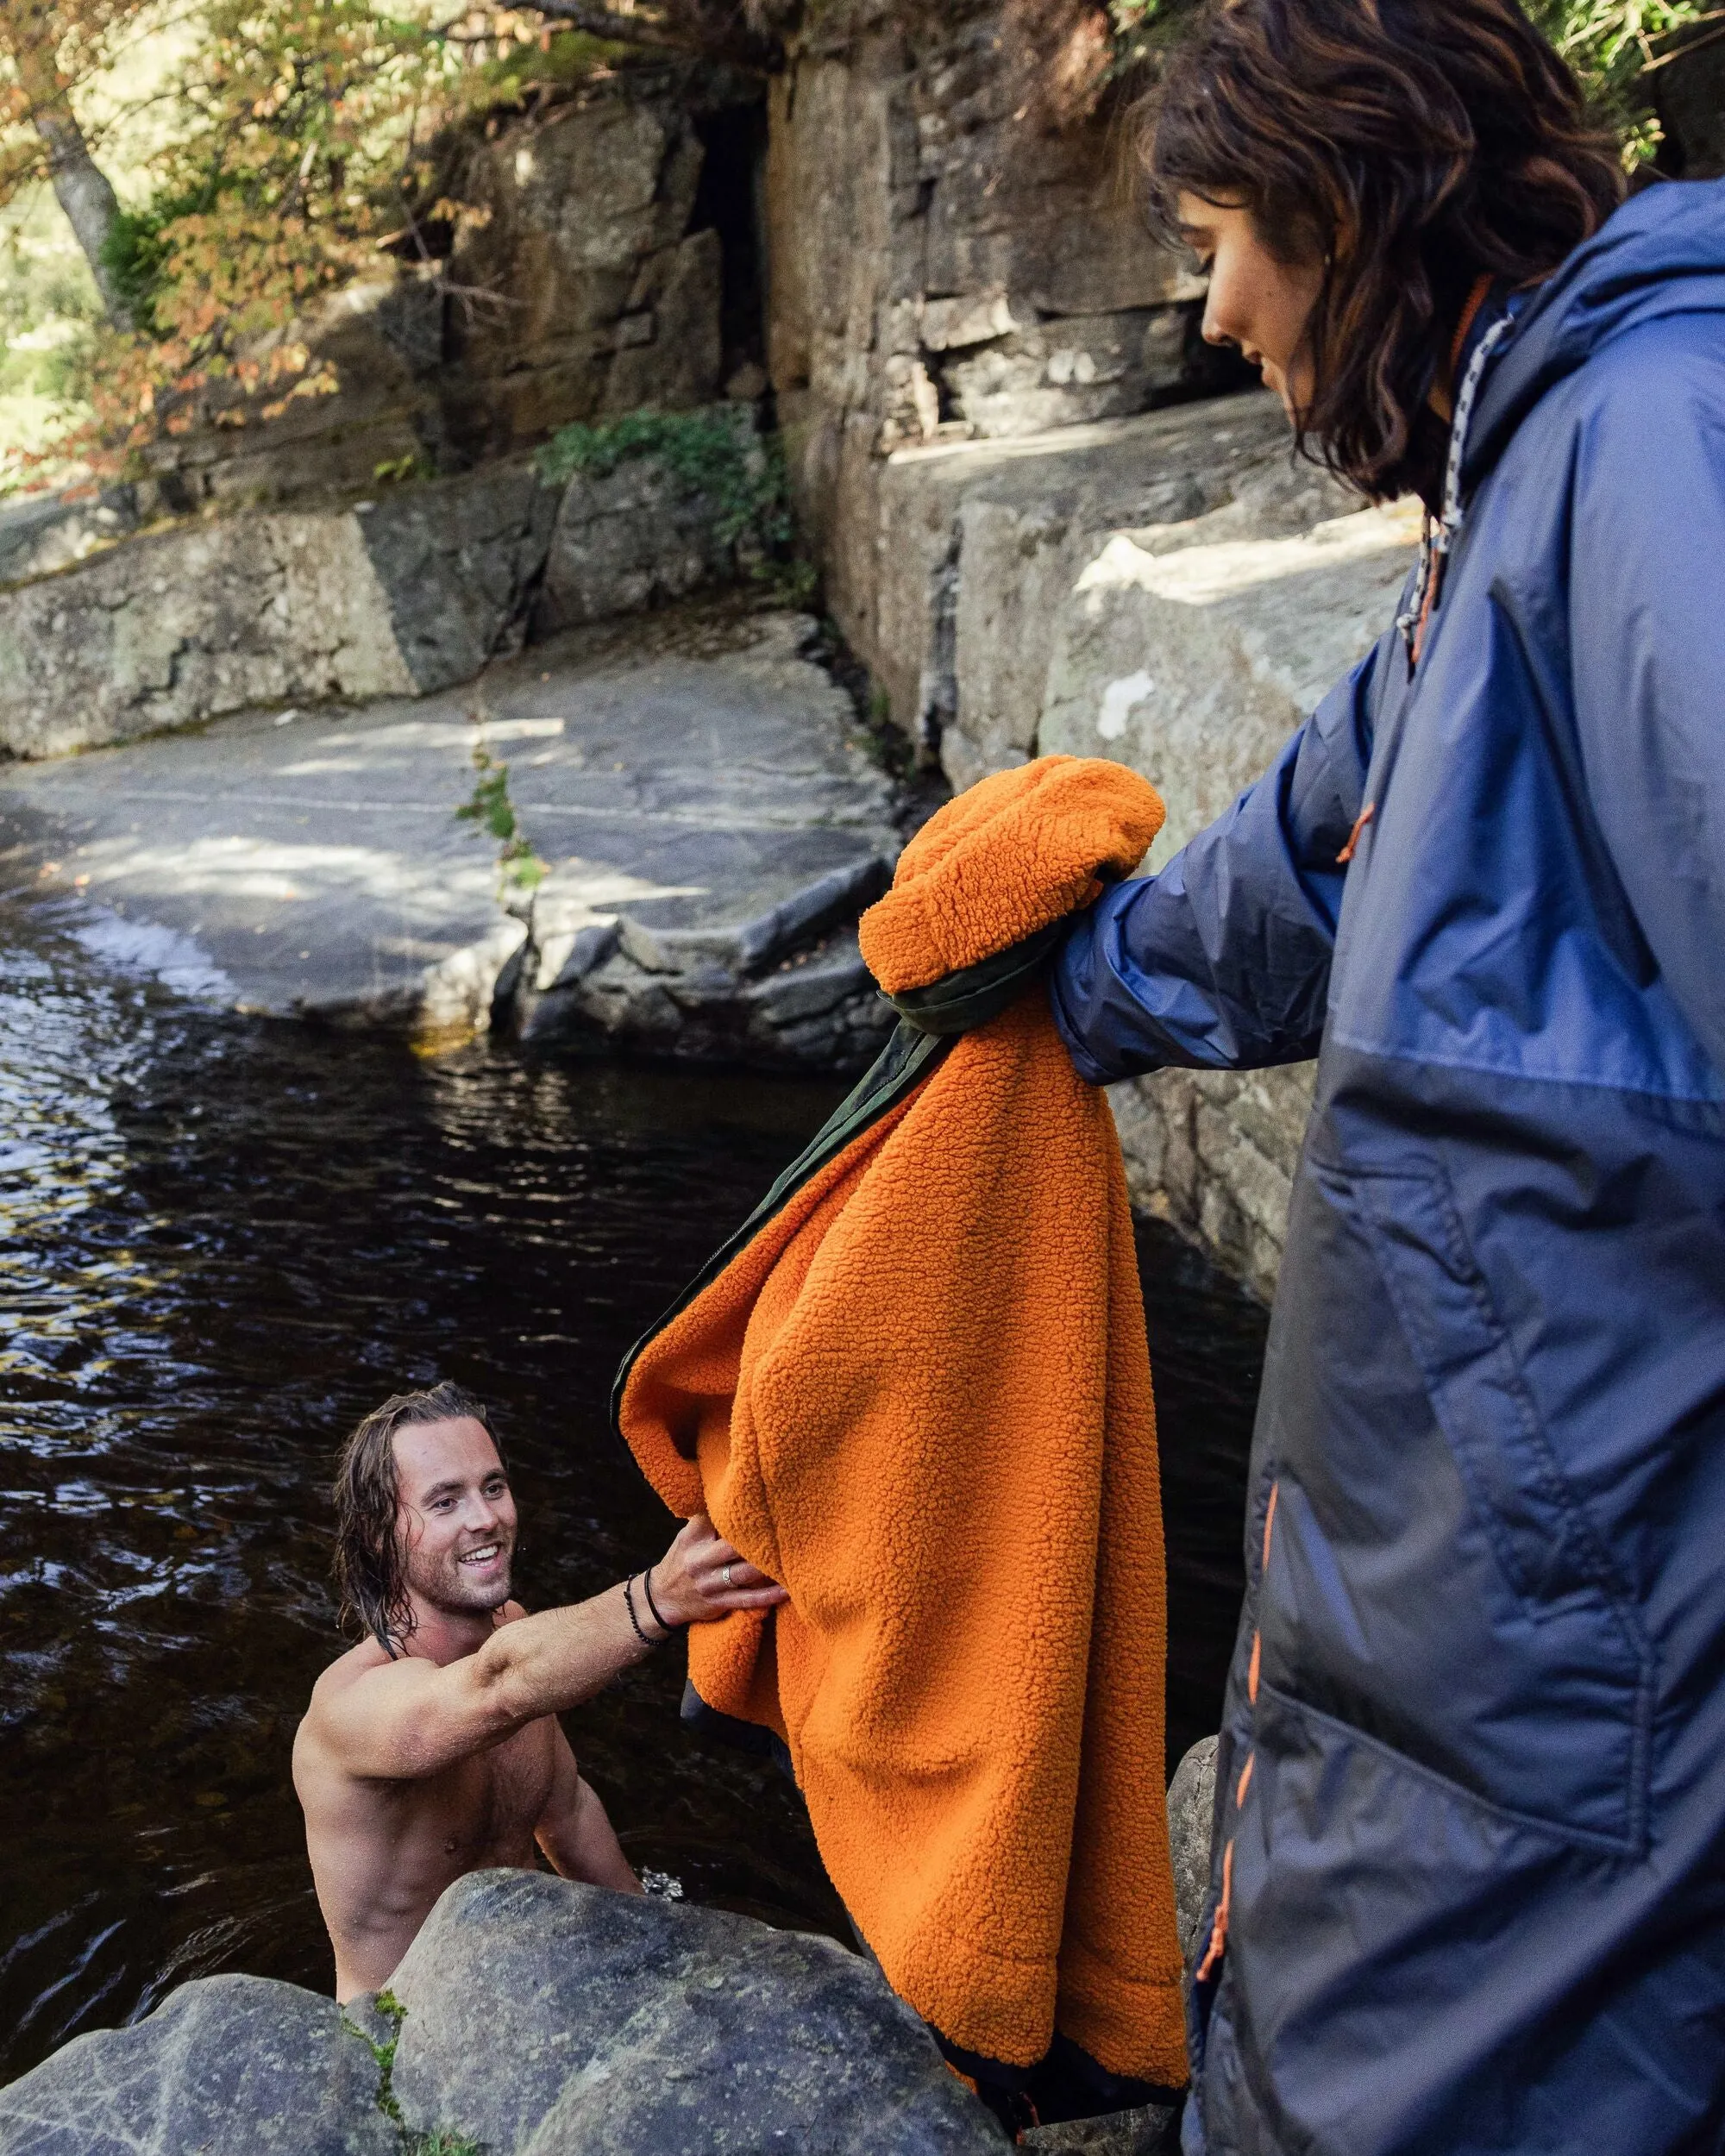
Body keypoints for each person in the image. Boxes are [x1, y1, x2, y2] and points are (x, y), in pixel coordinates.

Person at [1049, 3, 1725, 2152]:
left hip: (1572, 1646)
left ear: (1358, 203)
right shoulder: (1519, 474)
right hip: (1459, 1616)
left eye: (1226, 232)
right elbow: (1297, 853)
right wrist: (1033, 989)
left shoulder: (1651, 442)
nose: (1213, 301)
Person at [292, 1382, 783, 2002]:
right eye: (445, 1502)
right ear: (377, 1536)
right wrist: (660, 1598)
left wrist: (670, 1955)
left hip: (529, 1996)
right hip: (403, 2048)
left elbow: (566, 1813)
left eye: (493, 1487)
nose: (487, 1519)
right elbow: (497, 1685)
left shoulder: (518, 1633)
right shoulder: (349, 1708)